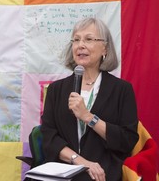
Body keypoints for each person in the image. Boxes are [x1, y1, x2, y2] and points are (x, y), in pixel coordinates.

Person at [41, 17, 139, 181]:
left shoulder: (122, 90)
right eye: (76, 40)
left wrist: (87, 117)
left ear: (104, 49)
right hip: (62, 170)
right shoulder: (56, 90)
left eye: (89, 39)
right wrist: (80, 162)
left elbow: (127, 141)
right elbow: (48, 138)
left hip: (102, 172)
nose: (81, 45)